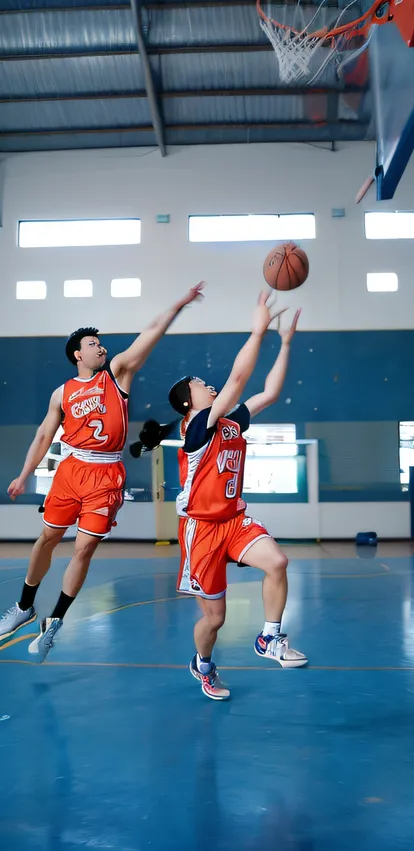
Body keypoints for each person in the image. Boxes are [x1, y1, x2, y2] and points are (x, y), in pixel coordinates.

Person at [0, 283, 204, 661]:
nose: (101, 347)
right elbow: (44, 434)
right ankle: (24, 606)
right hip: (70, 470)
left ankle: (55, 622)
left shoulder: (117, 374)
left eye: (101, 343)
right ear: (78, 354)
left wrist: (178, 302)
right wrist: (25, 472)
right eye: (93, 344)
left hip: (106, 475)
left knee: (84, 548)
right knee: (47, 538)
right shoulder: (62, 393)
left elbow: (151, 334)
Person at [134, 291, 307, 701]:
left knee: (278, 562)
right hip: (202, 531)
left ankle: (270, 639)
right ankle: (204, 665)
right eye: (198, 384)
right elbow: (239, 379)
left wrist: (283, 344)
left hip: (233, 520)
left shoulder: (228, 422)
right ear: (187, 403)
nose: (207, 384)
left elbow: (267, 394)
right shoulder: (198, 429)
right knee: (215, 619)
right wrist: (258, 330)